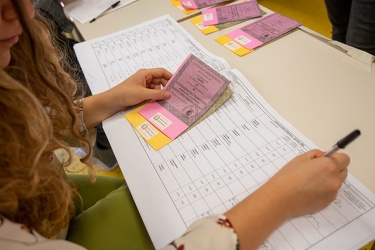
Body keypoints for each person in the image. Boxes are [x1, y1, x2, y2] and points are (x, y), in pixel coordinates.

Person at [0, 0, 350, 249]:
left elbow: (30, 126)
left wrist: (107, 100)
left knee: (146, 189)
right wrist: (283, 198)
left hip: (45, 202)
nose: (26, 12)